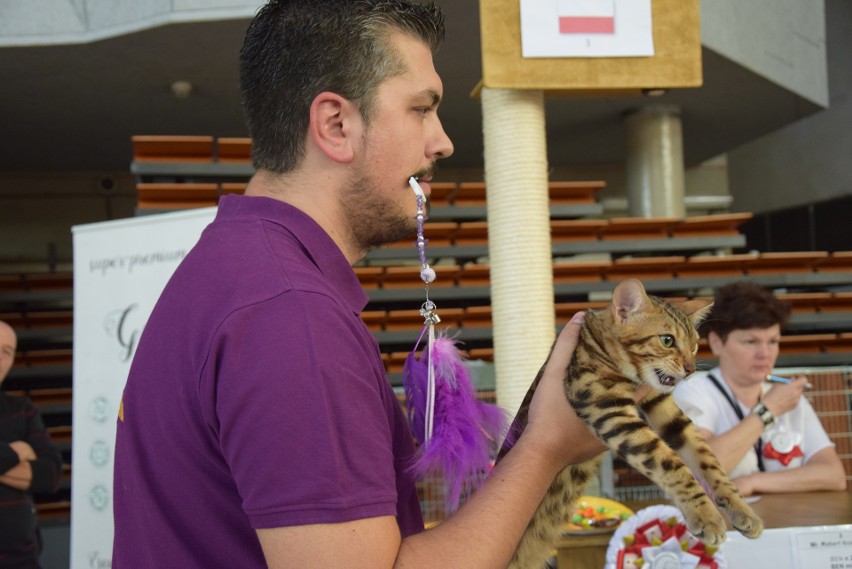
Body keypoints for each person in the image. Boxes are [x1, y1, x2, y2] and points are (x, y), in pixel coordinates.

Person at [112, 1, 603, 567]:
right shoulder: (288, 317)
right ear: (336, 126)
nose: (441, 142)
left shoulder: (231, 268)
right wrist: (545, 448)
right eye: (422, 109)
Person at [673, 281, 846, 496]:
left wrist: (753, 482)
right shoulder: (693, 391)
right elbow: (697, 473)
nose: (765, 354)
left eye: (772, 341)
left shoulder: (788, 398)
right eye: (750, 342)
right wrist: (766, 412)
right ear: (717, 343)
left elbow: (833, 475)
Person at [0, 320, 63, 568]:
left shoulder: (23, 410)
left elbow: (50, 474)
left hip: (21, 560)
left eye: (6, 352)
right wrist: (17, 451)